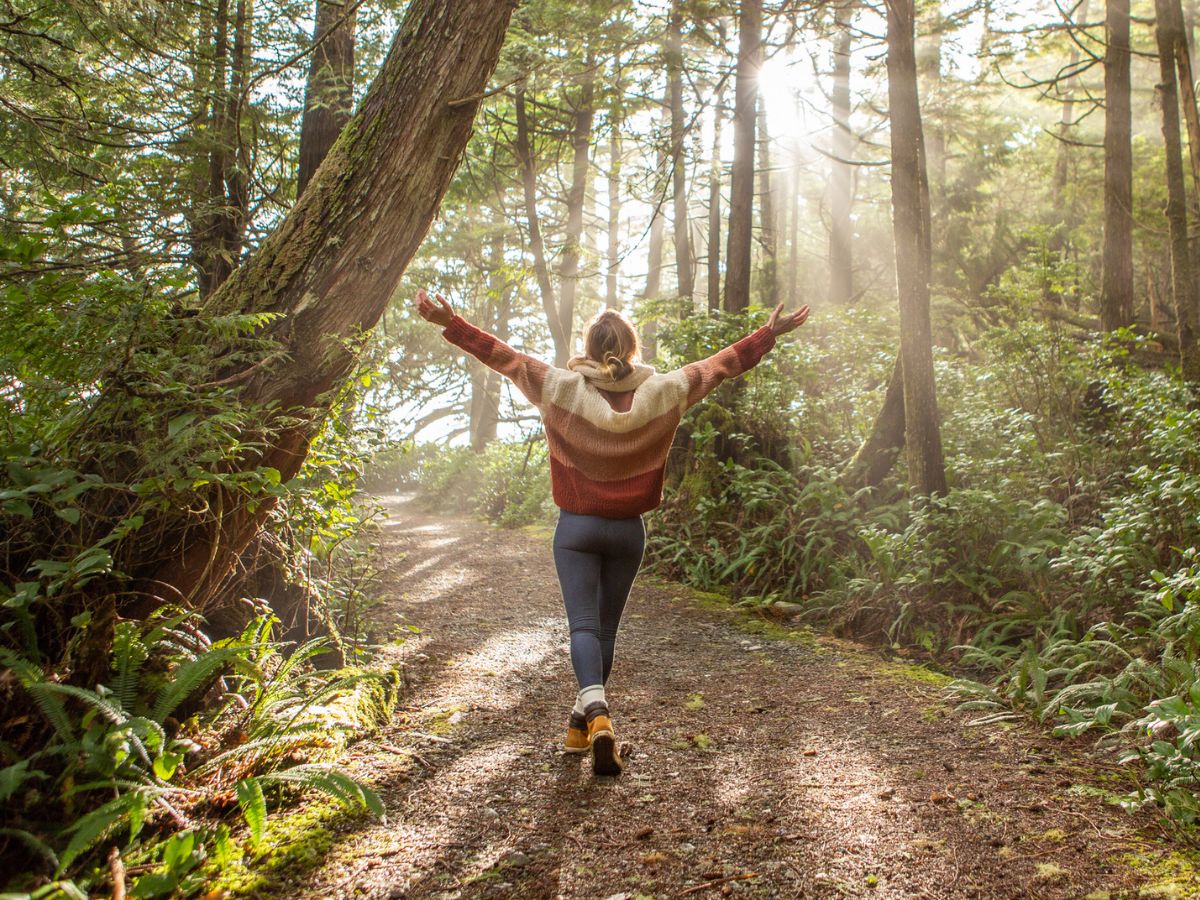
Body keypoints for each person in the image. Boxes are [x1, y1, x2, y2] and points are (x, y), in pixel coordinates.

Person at [415, 288, 810, 776]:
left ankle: (597, 715)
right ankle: (581, 727)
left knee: (582, 628)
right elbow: (721, 365)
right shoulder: (665, 390)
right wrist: (769, 334)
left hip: (576, 528)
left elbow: (503, 357)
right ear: (631, 348)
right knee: (605, 630)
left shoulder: (558, 386)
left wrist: (450, 323)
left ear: (589, 345)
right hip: (628, 533)